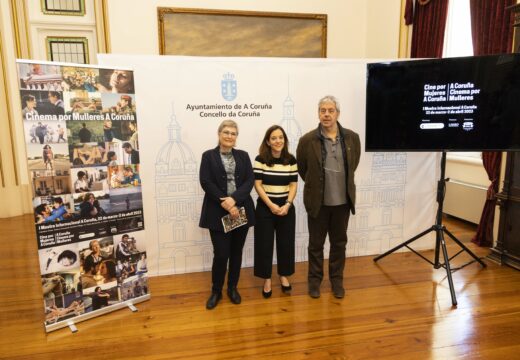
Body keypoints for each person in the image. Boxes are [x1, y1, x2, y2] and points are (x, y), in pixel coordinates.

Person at [296, 95, 361, 299]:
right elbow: (303, 169)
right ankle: (314, 282)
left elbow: (353, 164)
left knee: (339, 244)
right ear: (318, 113)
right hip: (318, 203)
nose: (326, 114)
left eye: (330, 110)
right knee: (316, 245)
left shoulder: (352, 138)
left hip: (342, 203)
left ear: (337, 114)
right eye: (322, 110)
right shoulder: (307, 140)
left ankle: (336, 281)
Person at [199, 120, 255, 310]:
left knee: (236, 253)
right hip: (217, 212)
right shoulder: (208, 156)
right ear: (219, 134)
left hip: (241, 209)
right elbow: (206, 182)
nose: (230, 136)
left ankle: (232, 288)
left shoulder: (244, 156)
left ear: (236, 137)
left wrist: (235, 201)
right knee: (221, 254)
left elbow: (249, 181)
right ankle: (216, 291)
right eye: (226, 132)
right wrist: (226, 202)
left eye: (233, 133)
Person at [253, 125, 298, 298]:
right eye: (273, 138)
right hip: (265, 207)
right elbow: (257, 185)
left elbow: (293, 184)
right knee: (264, 244)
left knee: (285, 243)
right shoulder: (260, 159)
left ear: (284, 140)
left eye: (281, 137)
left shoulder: (291, 160)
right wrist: (271, 205)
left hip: (286, 207)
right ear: (268, 141)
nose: (278, 141)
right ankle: (266, 279)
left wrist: (287, 204)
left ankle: (283, 275)